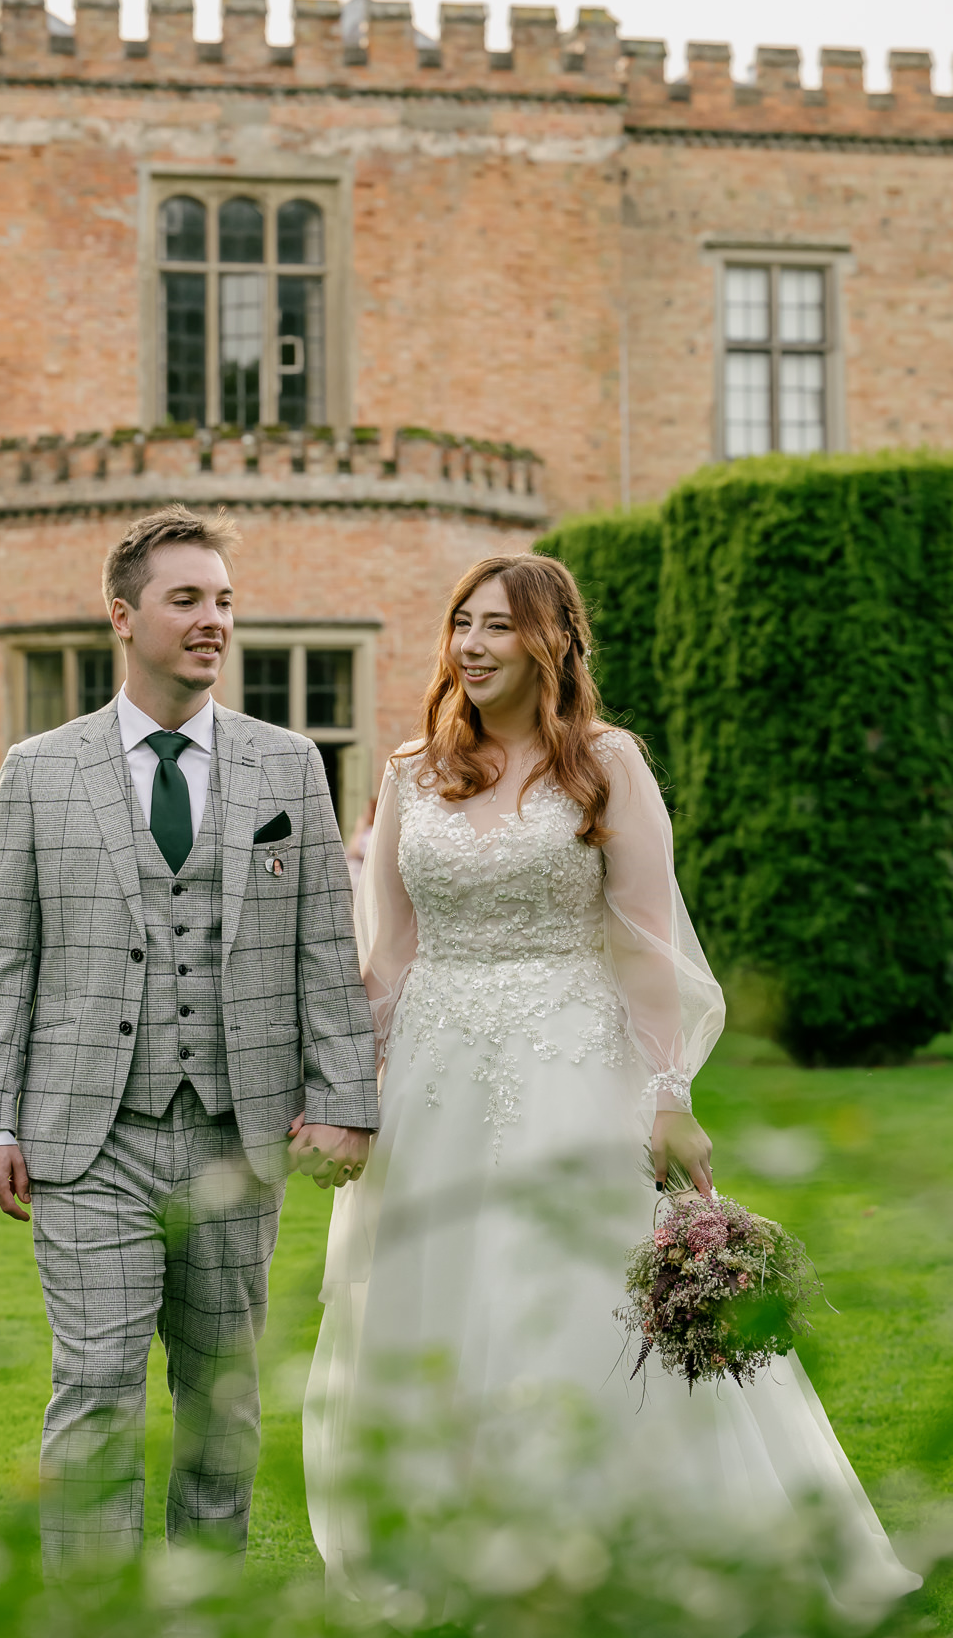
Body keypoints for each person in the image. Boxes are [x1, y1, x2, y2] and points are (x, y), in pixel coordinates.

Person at [303, 552, 919, 1613]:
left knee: (580, 1297)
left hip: (570, 1062)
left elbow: (640, 941)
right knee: (438, 1294)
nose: (473, 645)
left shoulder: (605, 764)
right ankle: (461, 1553)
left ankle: (639, 1540)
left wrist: (666, 1091)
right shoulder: (409, 770)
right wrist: (343, 1089)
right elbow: (389, 954)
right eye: (461, 623)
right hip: (435, 1077)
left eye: (499, 625)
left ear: (552, 642)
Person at [0, 504, 377, 1571]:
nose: (212, 622)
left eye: (224, 602)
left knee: (220, 1399)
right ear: (121, 616)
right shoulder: (39, 770)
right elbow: (2, 958)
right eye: (187, 600)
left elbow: (324, 951)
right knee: (94, 1384)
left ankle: (202, 1601)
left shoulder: (289, 769)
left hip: (239, 1136)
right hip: (85, 1138)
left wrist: (342, 1099)